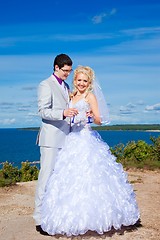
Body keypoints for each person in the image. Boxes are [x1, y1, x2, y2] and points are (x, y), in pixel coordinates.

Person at [40, 66, 140, 236]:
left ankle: (95, 218)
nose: (81, 83)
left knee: (90, 177)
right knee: (69, 178)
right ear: (75, 81)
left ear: (89, 83)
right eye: (79, 80)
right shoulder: (71, 95)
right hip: (71, 139)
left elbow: (100, 120)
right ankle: (70, 218)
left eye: (85, 81)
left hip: (85, 138)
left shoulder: (89, 96)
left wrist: (90, 116)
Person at [33, 53, 78, 234]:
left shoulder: (66, 86)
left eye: (69, 71)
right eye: (65, 71)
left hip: (66, 139)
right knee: (45, 179)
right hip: (51, 140)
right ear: (56, 68)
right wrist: (63, 113)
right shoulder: (45, 85)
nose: (68, 74)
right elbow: (43, 111)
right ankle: (39, 219)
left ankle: (54, 215)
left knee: (59, 180)